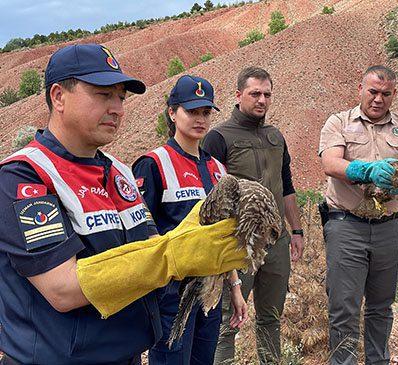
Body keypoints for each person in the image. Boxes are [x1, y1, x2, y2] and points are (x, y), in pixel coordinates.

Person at [0, 43, 245, 365]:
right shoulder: (25, 176)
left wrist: (188, 246)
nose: (117, 108)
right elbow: (63, 289)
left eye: (121, 97)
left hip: (127, 353)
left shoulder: (118, 172)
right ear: (58, 96)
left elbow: (145, 247)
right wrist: (172, 255)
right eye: (103, 94)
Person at [318, 65, 398, 365]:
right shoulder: (339, 122)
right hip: (347, 225)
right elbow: (330, 163)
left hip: (389, 229)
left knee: (382, 308)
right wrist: (365, 170)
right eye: (373, 91)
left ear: (394, 94)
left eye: (385, 93)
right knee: (344, 308)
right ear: (360, 89)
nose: (378, 99)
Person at [132, 74, 248, 365]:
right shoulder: (153, 163)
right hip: (171, 292)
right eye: (191, 111)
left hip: (210, 290)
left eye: (206, 112)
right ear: (172, 112)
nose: (200, 119)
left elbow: (222, 235)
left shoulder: (218, 169)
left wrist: (234, 287)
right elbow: (141, 234)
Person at [202, 66, 304, 364]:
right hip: (238, 244)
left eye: (267, 94)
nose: (262, 100)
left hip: (277, 242)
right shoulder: (218, 137)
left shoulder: (276, 136)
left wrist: (296, 231)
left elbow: (287, 186)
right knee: (227, 322)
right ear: (238, 95)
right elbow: (212, 198)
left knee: (271, 318)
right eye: (255, 93)